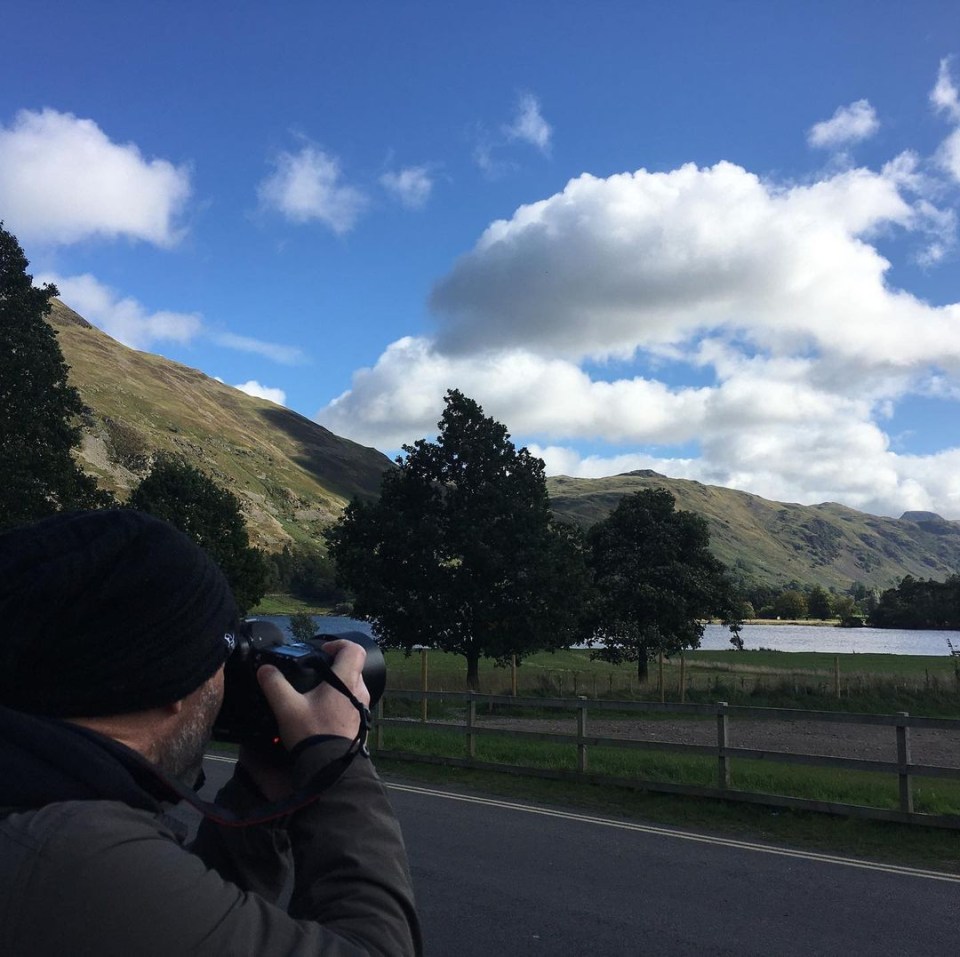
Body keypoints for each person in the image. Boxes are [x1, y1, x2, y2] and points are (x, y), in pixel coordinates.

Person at [0, 508, 422, 956]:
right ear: (170, 683)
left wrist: (259, 793)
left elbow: (190, 923)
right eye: (220, 660)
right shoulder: (72, 855)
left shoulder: (35, 805)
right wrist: (336, 757)